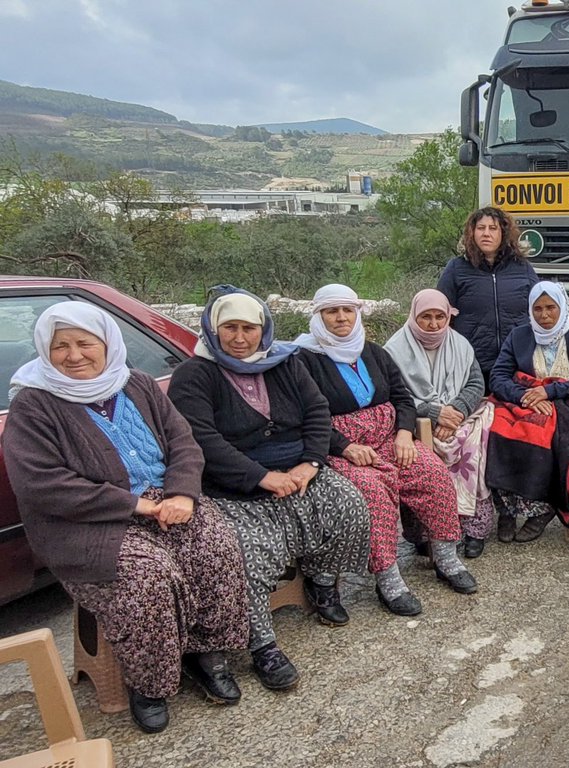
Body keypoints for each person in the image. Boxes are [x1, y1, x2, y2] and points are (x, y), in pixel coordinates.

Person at [3, 303, 249, 733]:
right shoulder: (34, 405)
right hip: (89, 524)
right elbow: (43, 484)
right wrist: (136, 505)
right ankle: (149, 683)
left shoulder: (135, 383)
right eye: (61, 346)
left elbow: (183, 443)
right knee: (147, 577)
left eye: (85, 343)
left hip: (166, 502)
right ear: (45, 349)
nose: (74, 355)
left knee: (217, 544)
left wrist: (183, 494)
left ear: (106, 344)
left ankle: (206, 653)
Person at [168, 287, 370, 692]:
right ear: (212, 328)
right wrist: (261, 477)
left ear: (264, 330)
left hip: (298, 468)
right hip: (235, 485)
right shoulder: (194, 375)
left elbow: (317, 413)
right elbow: (201, 439)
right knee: (248, 550)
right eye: (230, 327)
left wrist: (310, 464)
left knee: (350, 507)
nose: (240, 337)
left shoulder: (285, 362)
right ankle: (262, 644)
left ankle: (321, 581)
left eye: (249, 328)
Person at [294, 284, 477, 610]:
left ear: (357, 313)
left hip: (389, 438)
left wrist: (404, 434)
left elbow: (402, 398)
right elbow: (304, 416)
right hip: (342, 449)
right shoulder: (304, 360)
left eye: (347, 310)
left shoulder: (372, 351)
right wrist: (345, 446)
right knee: (372, 491)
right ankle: (388, 578)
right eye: (331, 311)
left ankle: (446, 557)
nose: (340, 318)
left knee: (432, 472)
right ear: (319, 315)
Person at [385, 288, 494, 558]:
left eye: (439, 317)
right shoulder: (394, 350)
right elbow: (394, 395)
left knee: (474, 441)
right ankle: (426, 533)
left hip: (459, 416)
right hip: (413, 420)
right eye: (426, 317)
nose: (433, 324)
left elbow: (475, 383)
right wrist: (434, 413)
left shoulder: (460, 345)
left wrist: (455, 410)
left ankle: (472, 528)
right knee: (418, 453)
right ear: (413, 316)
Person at [488, 281, 569, 542]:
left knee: (544, 433)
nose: (544, 315)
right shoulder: (519, 336)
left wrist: (549, 393)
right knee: (494, 430)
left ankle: (540, 510)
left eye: (551, 308)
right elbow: (499, 376)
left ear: (563, 308)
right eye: (537, 309)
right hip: (523, 399)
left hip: (564, 402)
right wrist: (526, 397)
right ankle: (507, 511)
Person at [437, 206, 539, 386]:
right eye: (480, 228)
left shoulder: (523, 268)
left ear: (504, 233)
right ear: (472, 233)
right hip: (471, 364)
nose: (486, 234)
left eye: (493, 228)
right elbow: (440, 313)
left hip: (516, 362)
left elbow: (540, 309)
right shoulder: (456, 268)